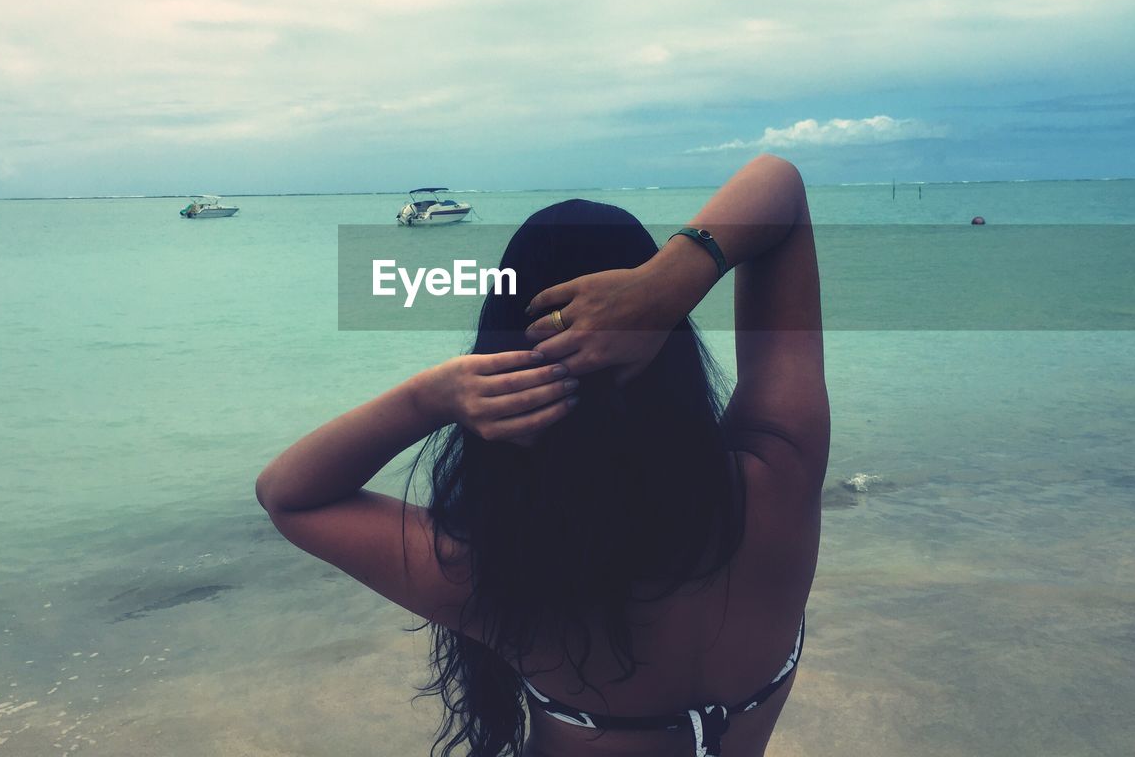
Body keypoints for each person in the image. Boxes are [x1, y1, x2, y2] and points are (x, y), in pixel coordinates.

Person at [255, 154, 828, 757]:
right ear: (672, 336)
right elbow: (779, 187)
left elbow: (287, 493)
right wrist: (670, 281)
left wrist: (434, 395)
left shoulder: (496, 575)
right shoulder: (778, 479)